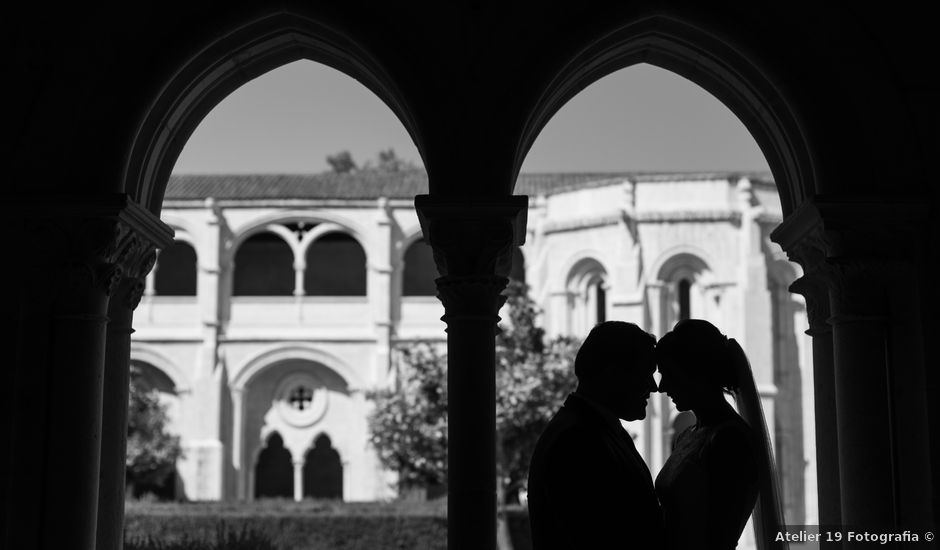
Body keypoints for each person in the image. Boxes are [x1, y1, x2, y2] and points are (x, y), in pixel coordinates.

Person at [528, 321, 663, 549]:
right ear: (613, 374)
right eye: (644, 374)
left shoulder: (590, 430)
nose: (653, 387)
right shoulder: (576, 441)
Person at [654, 319, 784, 550]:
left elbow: (718, 534)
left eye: (669, 374)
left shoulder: (730, 440)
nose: (662, 387)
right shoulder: (687, 436)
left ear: (697, 374)